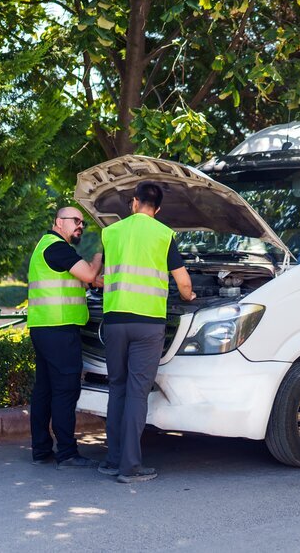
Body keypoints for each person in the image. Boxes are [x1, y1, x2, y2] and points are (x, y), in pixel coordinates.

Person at [98, 181, 195, 483]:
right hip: (148, 324)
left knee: (117, 388)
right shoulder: (164, 235)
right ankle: (130, 467)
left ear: (135, 202)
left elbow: (101, 274)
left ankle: (112, 461)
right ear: (158, 209)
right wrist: (189, 298)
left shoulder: (111, 233)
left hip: (114, 321)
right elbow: (184, 283)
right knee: (138, 394)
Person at [27, 206, 103, 469]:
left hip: (44, 326)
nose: (81, 226)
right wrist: (99, 254)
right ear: (59, 222)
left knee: (45, 390)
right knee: (65, 390)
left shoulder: (47, 247)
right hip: (59, 328)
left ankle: (41, 450)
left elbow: (85, 281)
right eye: (76, 221)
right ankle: (67, 453)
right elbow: (90, 275)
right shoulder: (57, 248)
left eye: (83, 222)